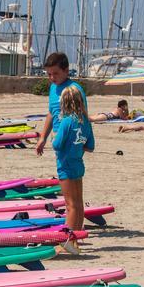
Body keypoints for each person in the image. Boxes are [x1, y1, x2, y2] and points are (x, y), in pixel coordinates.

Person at [52, 85, 95, 232]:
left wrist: (53, 137)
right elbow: (90, 146)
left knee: (70, 205)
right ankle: (76, 236)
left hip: (65, 166)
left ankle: (69, 239)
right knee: (78, 204)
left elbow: (57, 145)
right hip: (78, 165)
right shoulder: (85, 121)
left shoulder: (66, 121)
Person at [35, 52, 87, 159]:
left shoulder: (74, 89)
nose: (52, 77)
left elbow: (83, 115)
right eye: (49, 74)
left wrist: (84, 139)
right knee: (63, 169)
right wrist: (43, 137)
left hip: (72, 137)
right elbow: (51, 113)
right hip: (56, 136)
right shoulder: (53, 88)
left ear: (66, 71)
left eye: (56, 73)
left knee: (71, 170)